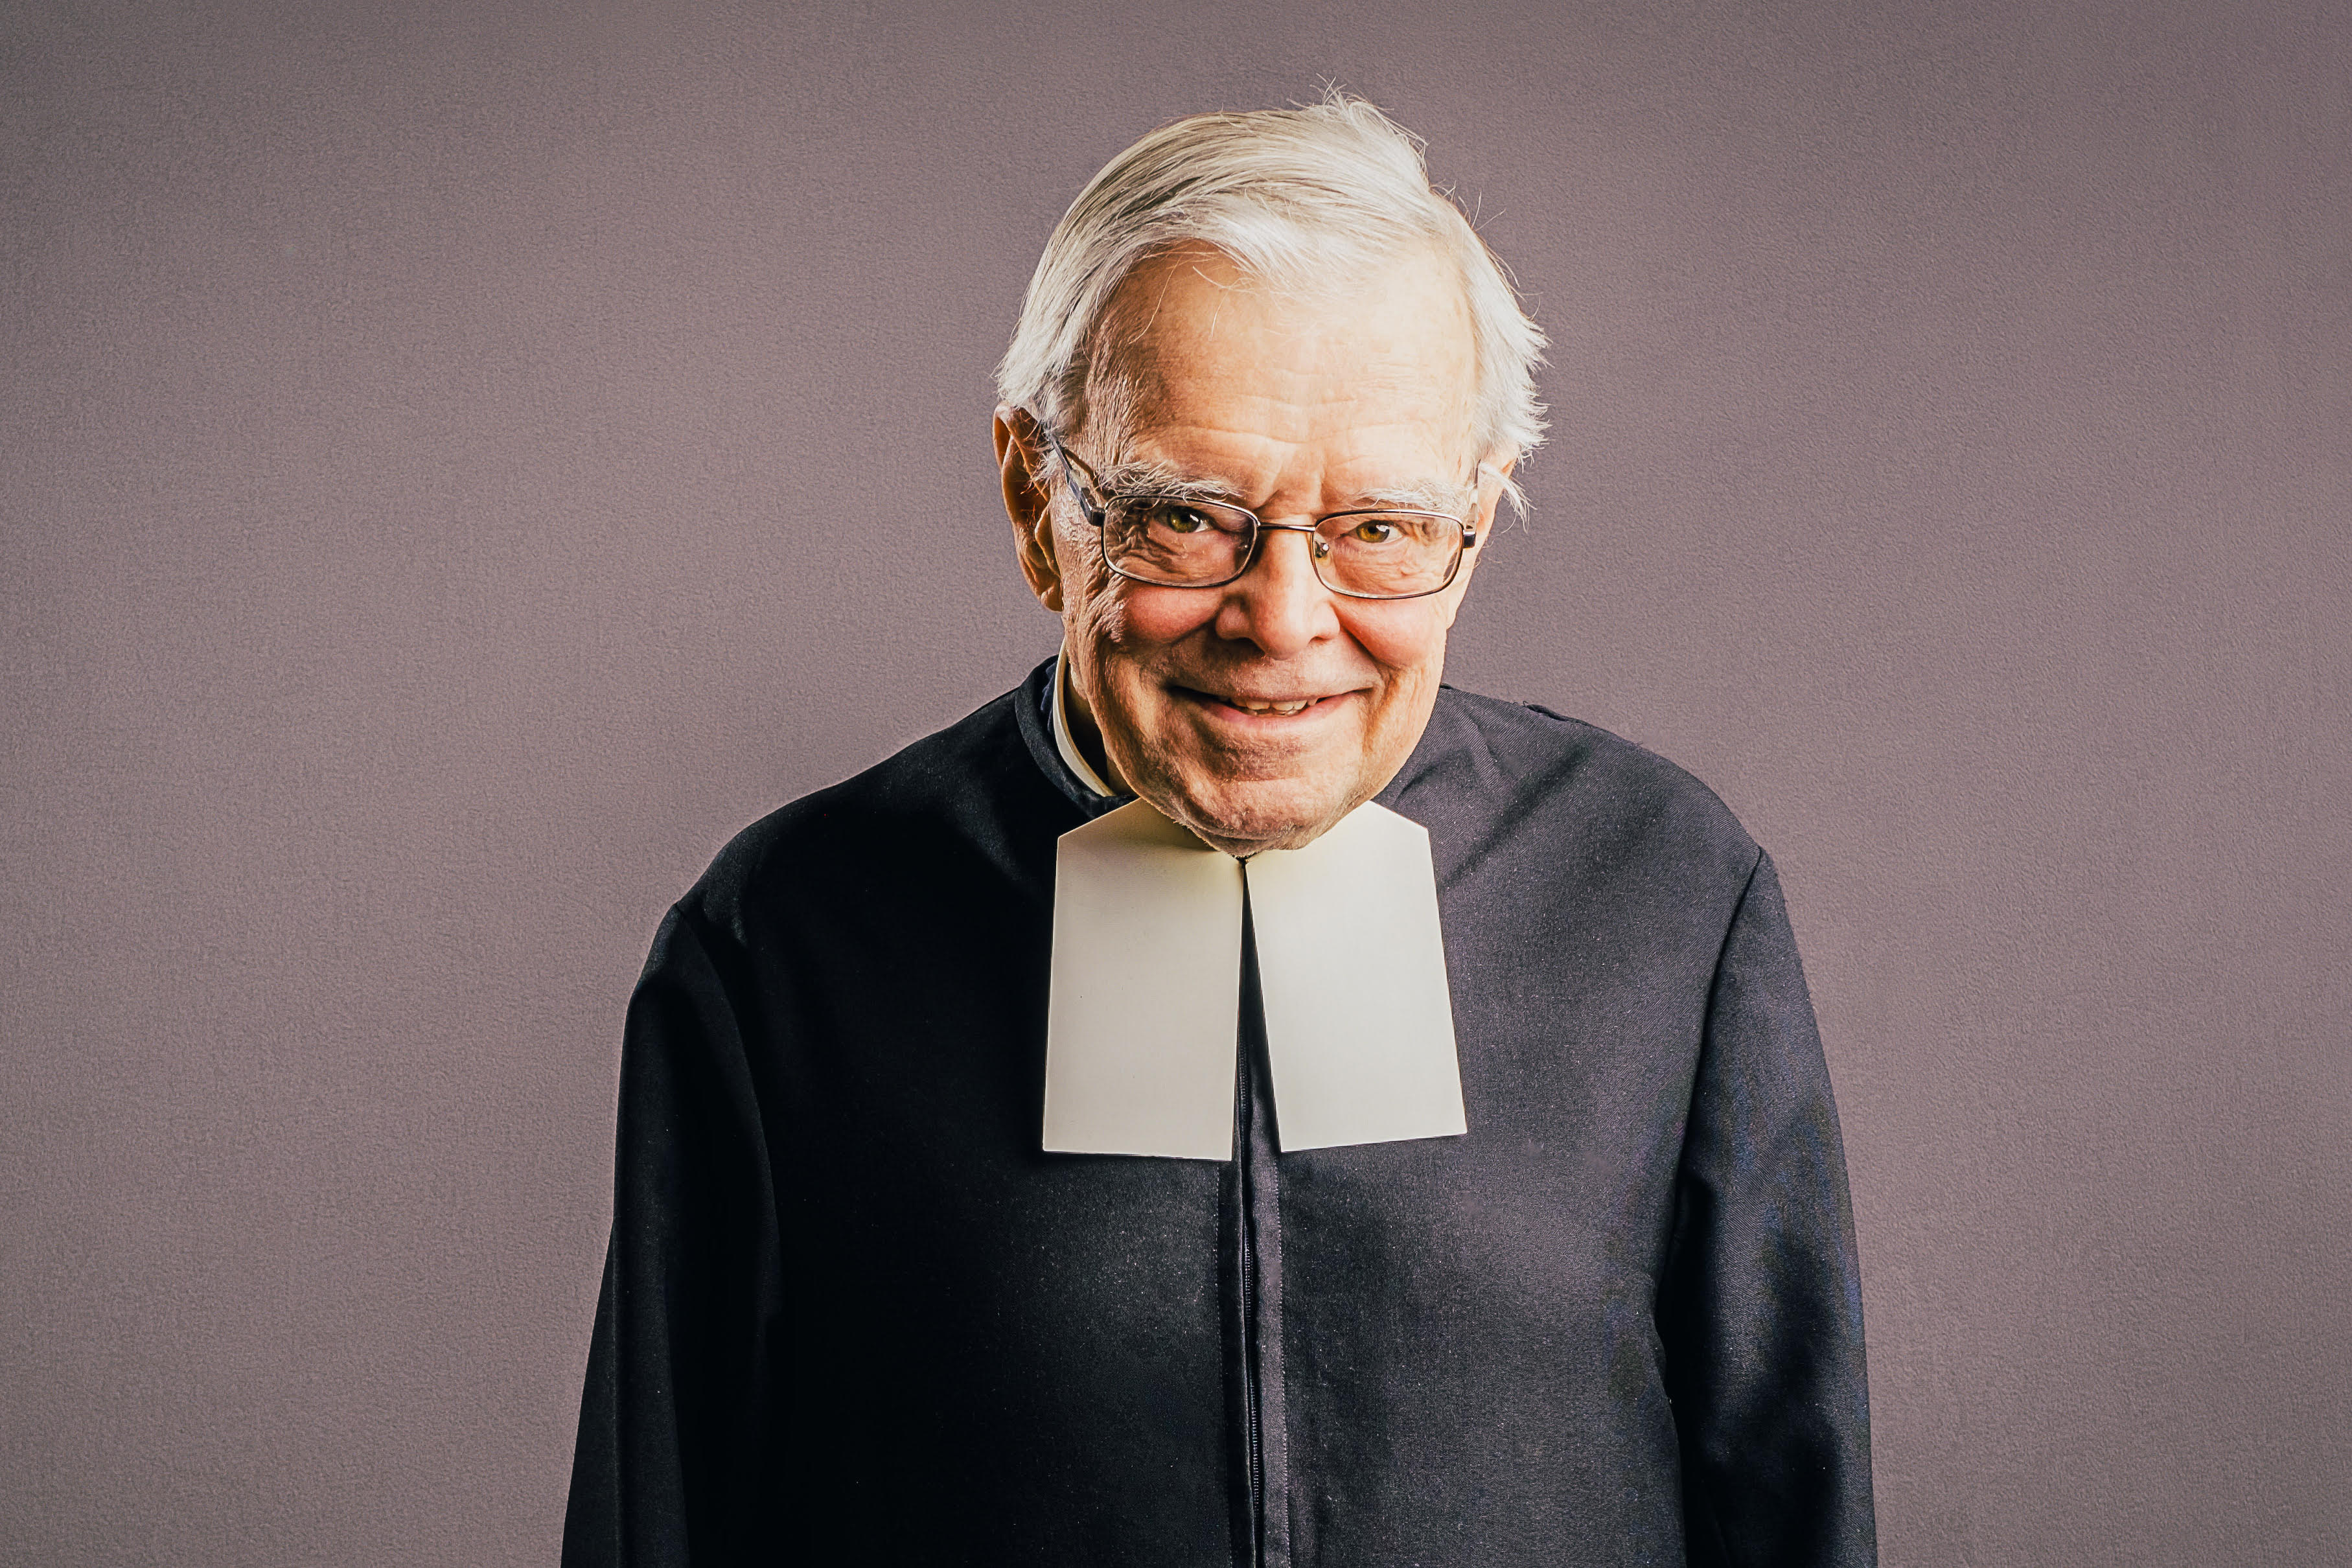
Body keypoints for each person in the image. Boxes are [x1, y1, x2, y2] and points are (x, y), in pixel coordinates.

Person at [561, 95, 1876, 1567]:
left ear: (1478, 524)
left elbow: (1793, 1505)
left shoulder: (1664, 895)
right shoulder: (789, 943)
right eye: (1186, 516)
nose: (1284, 624)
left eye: (1379, 528)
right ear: (1032, 492)